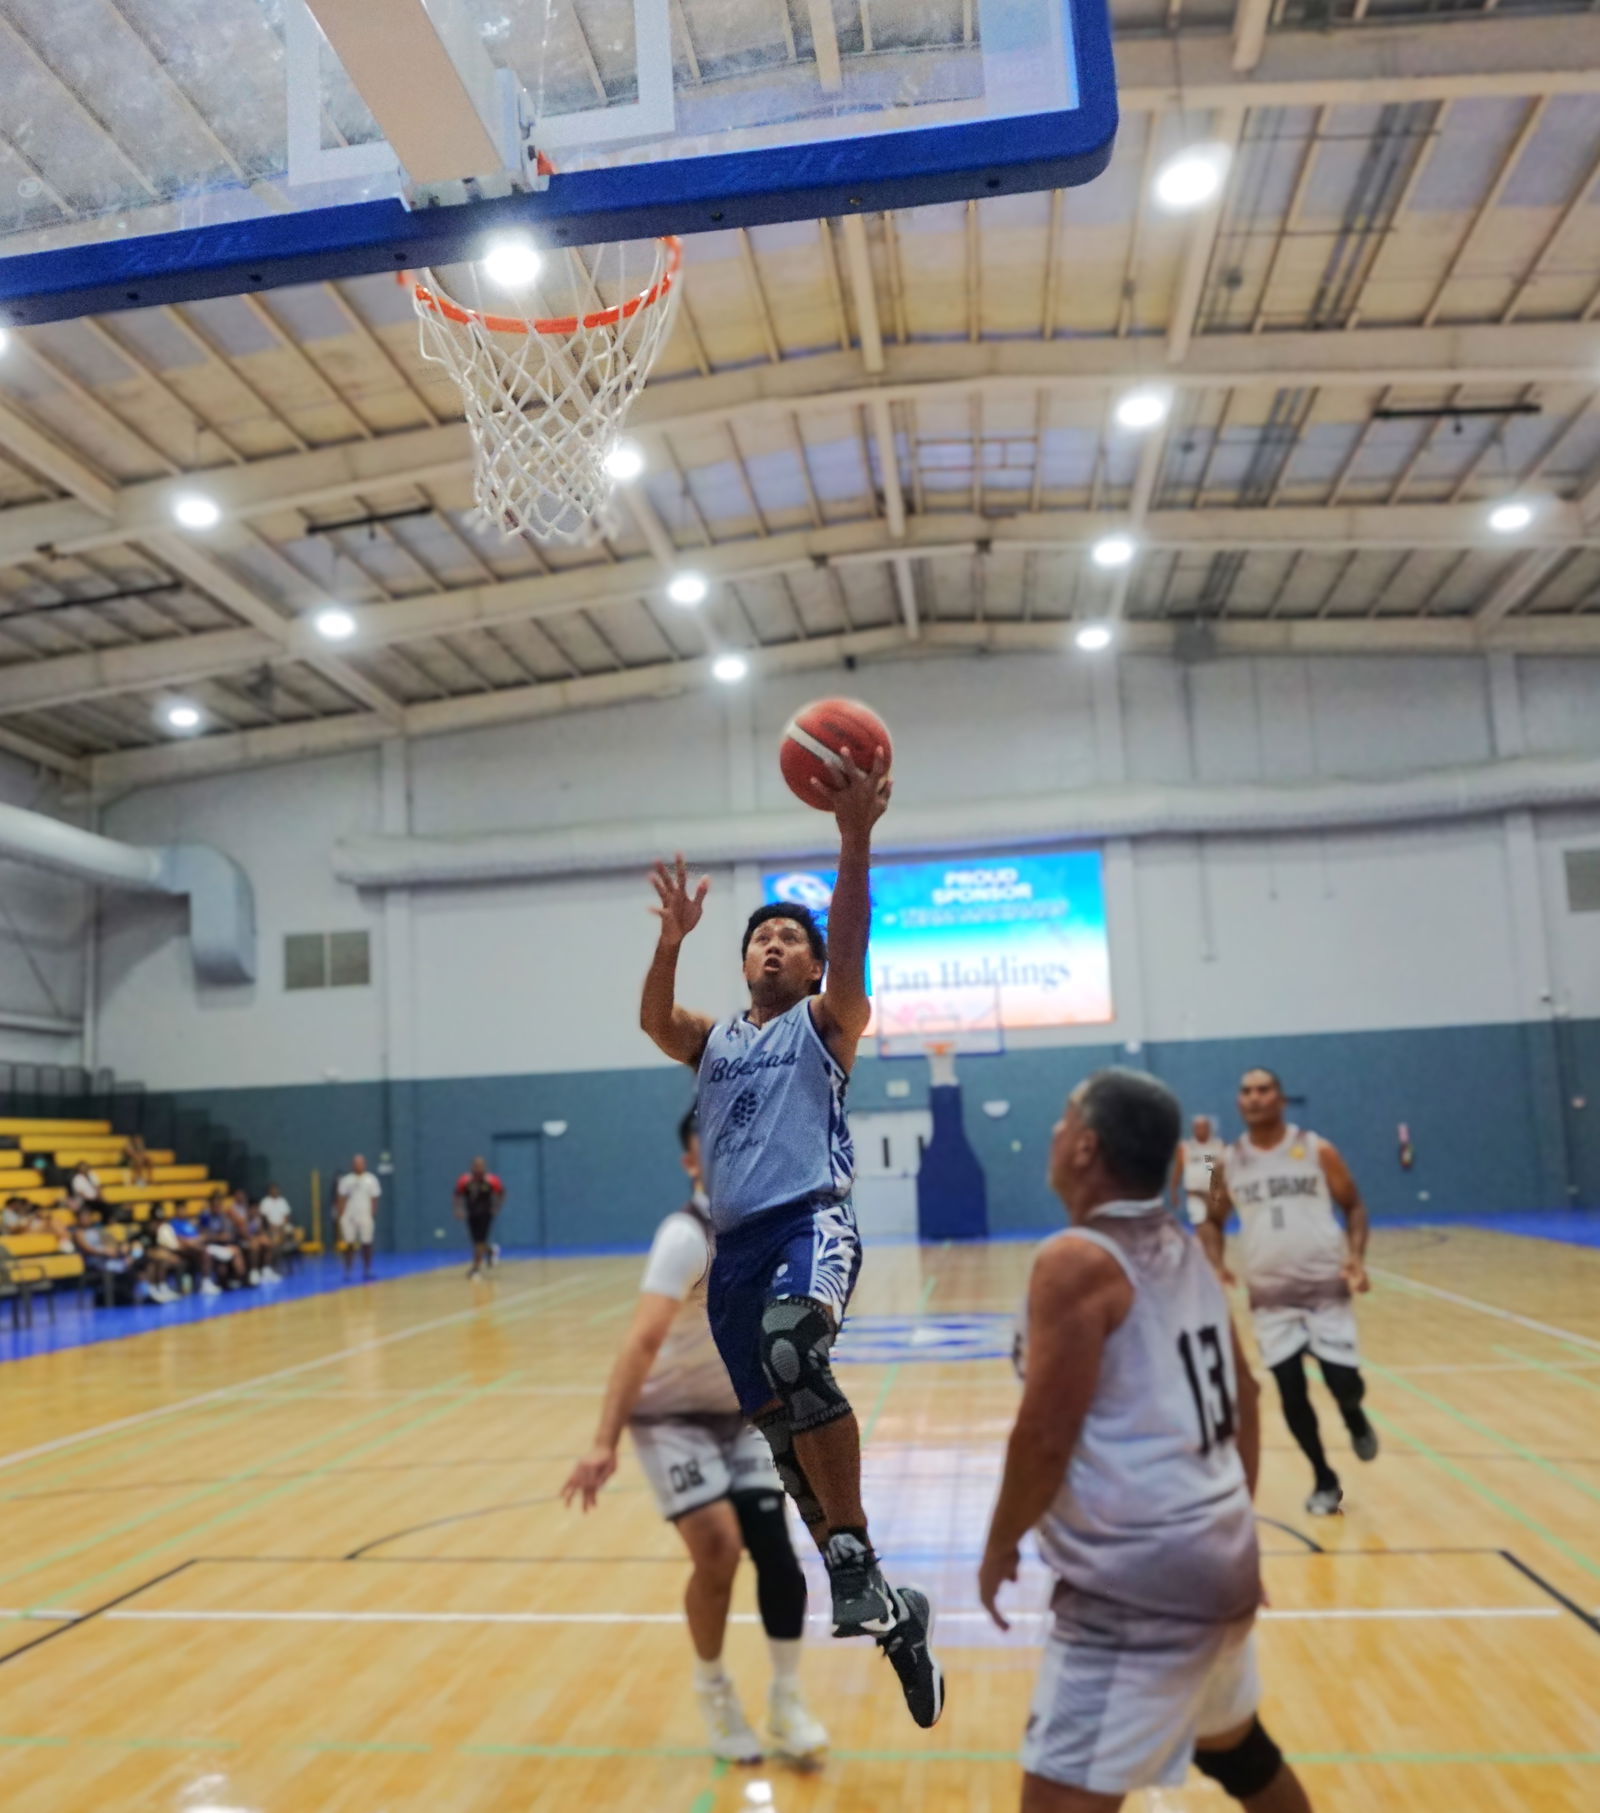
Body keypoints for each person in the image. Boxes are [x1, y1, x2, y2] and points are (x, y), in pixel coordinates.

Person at [637, 745, 943, 1732]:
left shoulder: (825, 1022)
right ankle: (893, 1610)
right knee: (789, 1450)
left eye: (787, 937)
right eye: (758, 936)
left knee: (792, 1346)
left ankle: (852, 1555)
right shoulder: (717, 1038)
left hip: (809, 1219)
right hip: (731, 1258)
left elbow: (850, 941)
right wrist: (672, 941)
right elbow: (653, 1020)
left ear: (812, 967)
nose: (771, 945)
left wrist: (853, 837)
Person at [979, 1069, 1314, 1813]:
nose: (1054, 1134)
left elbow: (1042, 1437)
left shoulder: (1075, 1261)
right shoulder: (1184, 1243)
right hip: (1215, 1561)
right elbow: (1249, 1398)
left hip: (1138, 1587)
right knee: (1238, 1750)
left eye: (1064, 1121)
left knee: (1056, 1799)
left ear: (1085, 1147)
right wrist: (1227, 1526)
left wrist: (1000, 1543)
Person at [563, 1111, 829, 1765]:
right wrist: (604, 1439)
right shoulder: (686, 1237)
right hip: (672, 1418)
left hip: (743, 1410)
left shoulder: (777, 1225)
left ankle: (788, 1700)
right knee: (717, 1547)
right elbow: (642, 1339)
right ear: (691, 1163)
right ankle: (713, 1689)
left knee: (775, 1547)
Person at [1201, 1069, 1378, 1517]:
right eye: (1246, 1091)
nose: (1255, 1097)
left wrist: (1356, 1257)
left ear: (1281, 1099)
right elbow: (1210, 1218)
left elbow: (1353, 1204)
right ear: (1239, 1103)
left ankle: (1354, 1415)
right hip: (1270, 1296)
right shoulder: (1221, 1162)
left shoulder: (1318, 1148)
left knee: (1344, 1384)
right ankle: (1324, 1478)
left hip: (1324, 1287)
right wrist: (1215, 1263)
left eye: (1264, 1090)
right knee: (1290, 1391)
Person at [1172, 1114, 1225, 1227]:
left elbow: (1225, 1170)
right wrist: (1174, 1191)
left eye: (1203, 1127)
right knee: (1200, 1223)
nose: (1200, 1130)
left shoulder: (1218, 1146)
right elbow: (1178, 1170)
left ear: (1209, 1128)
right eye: (1197, 1127)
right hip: (1195, 1194)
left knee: (1215, 1225)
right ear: (1193, 1129)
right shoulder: (1185, 1147)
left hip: (1214, 1195)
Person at [454, 1158, 504, 1279]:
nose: (478, 1168)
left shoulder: (491, 1180)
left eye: (481, 1165)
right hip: (472, 1214)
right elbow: (457, 1195)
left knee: (479, 1241)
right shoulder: (465, 1180)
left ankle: (476, 1268)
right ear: (472, 1166)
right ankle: (491, 1251)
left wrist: (496, 1207)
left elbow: (501, 1193)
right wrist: (458, 1209)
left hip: (485, 1214)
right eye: (476, 1165)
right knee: (476, 1242)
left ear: (485, 1166)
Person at [335, 1155, 381, 1280]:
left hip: (365, 1215)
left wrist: (371, 1213)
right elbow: (341, 1198)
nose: (358, 1165)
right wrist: (341, 1215)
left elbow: (374, 1198)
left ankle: (367, 1269)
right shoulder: (346, 1180)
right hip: (349, 1217)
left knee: (367, 1243)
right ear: (352, 1165)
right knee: (348, 1244)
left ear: (364, 1164)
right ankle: (348, 1270)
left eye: (360, 1163)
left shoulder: (371, 1180)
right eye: (356, 1163)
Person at [258, 1182, 301, 1268]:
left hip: (282, 1226)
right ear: (269, 1191)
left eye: (276, 1189)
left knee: (292, 1230)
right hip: (270, 1227)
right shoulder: (265, 1202)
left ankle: (286, 1246)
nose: (275, 1191)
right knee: (273, 1237)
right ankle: (275, 1252)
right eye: (273, 1189)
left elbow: (287, 1217)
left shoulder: (283, 1201)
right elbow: (263, 1218)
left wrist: (282, 1226)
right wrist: (272, 1227)